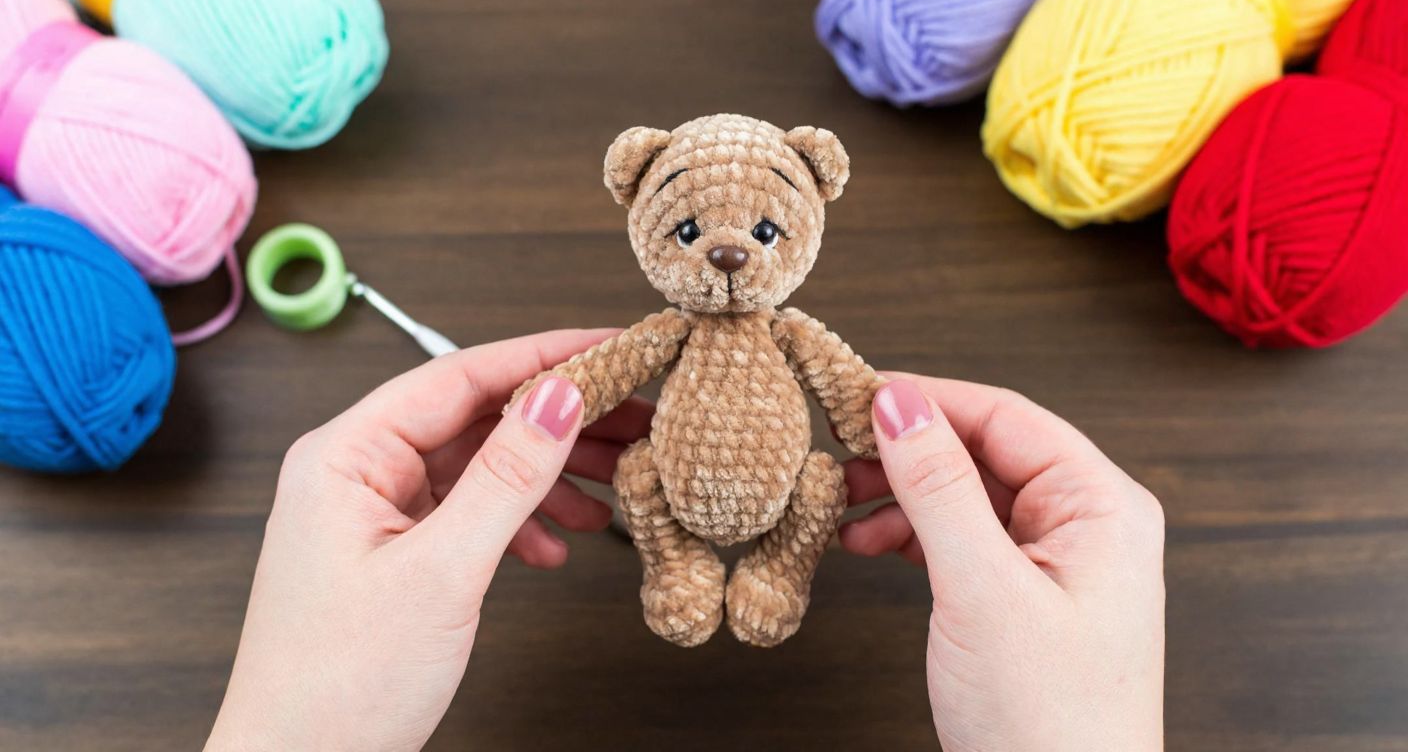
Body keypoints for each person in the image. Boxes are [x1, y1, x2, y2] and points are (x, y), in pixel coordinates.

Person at [204, 331, 1165, 752]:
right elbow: (606, 369)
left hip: (789, 487)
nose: (733, 254)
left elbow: (847, 392)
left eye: (763, 232)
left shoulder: (792, 333)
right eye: (696, 232)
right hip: (674, 483)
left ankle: (778, 577)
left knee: (826, 482)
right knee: (633, 474)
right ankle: (678, 564)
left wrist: (891, 437)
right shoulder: (669, 330)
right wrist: (544, 419)